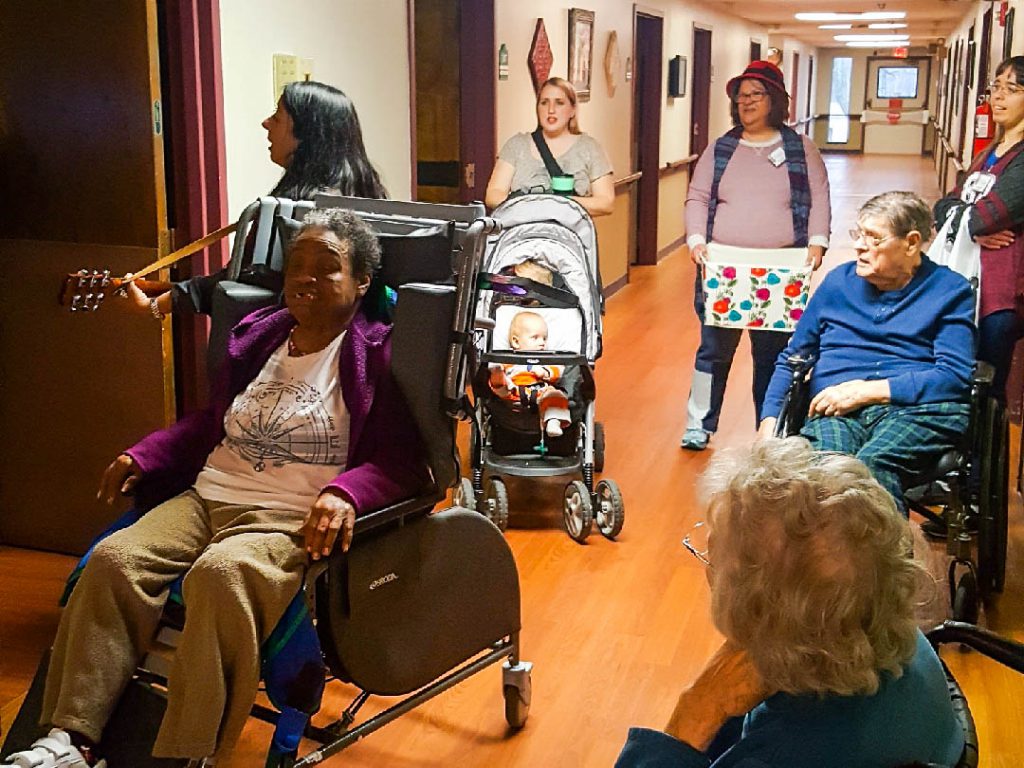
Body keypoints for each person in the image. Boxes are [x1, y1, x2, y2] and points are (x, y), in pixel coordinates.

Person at [5, 210, 429, 767]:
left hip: (290, 514)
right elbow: (214, 423)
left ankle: (186, 753)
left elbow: (403, 461)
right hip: (208, 497)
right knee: (114, 559)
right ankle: (69, 740)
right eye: (296, 265)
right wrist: (146, 453)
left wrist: (346, 493)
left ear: (362, 283)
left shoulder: (378, 355)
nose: (305, 278)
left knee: (220, 575)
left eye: (326, 269)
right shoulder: (261, 336)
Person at [615, 439, 965, 768]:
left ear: (759, 614)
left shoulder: (775, 757)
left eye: (713, 560)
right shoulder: (879, 624)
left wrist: (689, 720)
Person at [758, 191, 975, 515]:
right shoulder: (837, 284)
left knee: (873, 466)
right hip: (835, 407)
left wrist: (865, 392)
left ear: (911, 243)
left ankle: (887, 564)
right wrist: (769, 426)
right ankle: (832, 564)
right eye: (858, 234)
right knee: (828, 473)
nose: (859, 245)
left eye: (873, 238)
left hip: (917, 407)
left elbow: (954, 376)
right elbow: (793, 359)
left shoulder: (949, 290)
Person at [123, 80, 387, 319]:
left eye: (278, 116)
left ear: (306, 133)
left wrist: (158, 305)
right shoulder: (369, 195)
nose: (266, 123)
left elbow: (246, 283)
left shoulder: (298, 209)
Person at [681, 60, 831, 451]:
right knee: (713, 350)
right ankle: (698, 423)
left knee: (772, 354)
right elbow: (697, 196)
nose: (746, 101)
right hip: (723, 267)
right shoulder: (723, 148)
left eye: (755, 94)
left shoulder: (800, 148)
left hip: (780, 271)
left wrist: (817, 242)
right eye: (740, 95)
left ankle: (770, 426)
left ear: (775, 100)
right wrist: (696, 238)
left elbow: (819, 199)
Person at [934, 55, 1024, 404]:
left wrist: (965, 219)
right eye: (996, 88)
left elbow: (985, 219)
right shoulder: (988, 153)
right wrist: (964, 218)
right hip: (967, 282)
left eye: (1012, 89)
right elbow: (942, 208)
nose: (998, 97)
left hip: (1000, 295)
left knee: (987, 390)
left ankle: (987, 458)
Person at [484, 77, 614, 217]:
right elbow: (493, 195)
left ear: (572, 110)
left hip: (569, 234)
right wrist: (531, 204)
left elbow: (606, 203)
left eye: (559, 103)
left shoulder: (589, 148)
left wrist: (558, 203)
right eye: (544, 103)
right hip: (523, 233)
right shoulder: (517, 145)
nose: (551, 110)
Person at [488, 311, 571, 437]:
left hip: (541, 391)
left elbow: (558, 372)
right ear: (516, 342)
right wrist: (501, 371)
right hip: (514, 391)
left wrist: (545, 373)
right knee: (501, 386)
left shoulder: (546, 360)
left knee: (555, 395)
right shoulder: (510, 359)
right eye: (535, 338)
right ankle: (497, 374)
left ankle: (553, 421)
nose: (542, 342)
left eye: (544, 338)